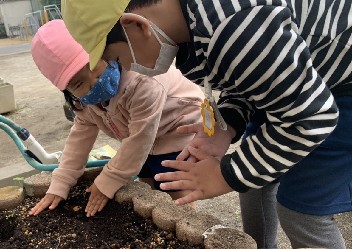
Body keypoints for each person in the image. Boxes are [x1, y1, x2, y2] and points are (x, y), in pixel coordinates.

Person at [61, 0, 352, 248]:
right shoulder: (195, 25)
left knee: (300, 210)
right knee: (255, 181)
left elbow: (311, 118)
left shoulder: (233, 26)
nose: (125, 70)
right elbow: (251, 77)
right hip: (298, 81)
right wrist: (227, 125)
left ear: (136, 25)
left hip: (340, 85)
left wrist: (227, 175)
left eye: (117, 60)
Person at [28, 20, 205, 217]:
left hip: (179, 129)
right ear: (67, 91)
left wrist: (107, 181)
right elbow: (79, 139)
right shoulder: (85, 102)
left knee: (175, 188)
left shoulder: (144, 82)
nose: (94, 82)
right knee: (148, 185)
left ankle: (185, 223)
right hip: (145, 135)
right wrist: (60, 183)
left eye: (94, 65)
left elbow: (138, 140)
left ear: (103, 50)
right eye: (79, 84)